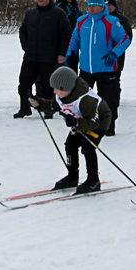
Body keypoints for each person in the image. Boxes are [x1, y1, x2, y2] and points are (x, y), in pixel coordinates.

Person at [33, 64, 112, 194]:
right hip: (81, 122)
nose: (55, 92)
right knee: (70, 144)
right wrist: (39, 103)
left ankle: (93, 181)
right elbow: (53, 106)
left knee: (88, 147)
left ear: (67, 88)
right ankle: (72, 177)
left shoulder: (86, 99)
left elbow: (93, 122)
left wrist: (76, 121)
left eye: (57, 89)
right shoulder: (61, 95)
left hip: (99, 123)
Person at [66, 0, 130, 136]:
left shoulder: (111, 22)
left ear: (102, 7)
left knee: (108, 100)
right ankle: (84, 125)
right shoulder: (81, 21)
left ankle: (108, 126)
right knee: (83, 99)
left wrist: (114, 53)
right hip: (86, 69)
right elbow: (74, 39)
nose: (91, 8)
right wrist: (70, 54)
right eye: (89, 6)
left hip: (106, 69)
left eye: (94, 6)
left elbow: (125, 39)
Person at [13, 0, 70, 119]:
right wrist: (25, 46)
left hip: (49, 57)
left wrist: (62, 53)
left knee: (47, 86)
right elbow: (23, 31)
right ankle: (24, 108)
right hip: (30, 57)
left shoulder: (58, 13)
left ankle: (48, 110)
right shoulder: (30, 13)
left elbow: (66, 34)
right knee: (23, 84)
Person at [102, 0, 132, 72]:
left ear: (114, 5)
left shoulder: (122, 19)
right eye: (106, 5)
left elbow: (128, 37)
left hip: (117, 55)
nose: (108, 7)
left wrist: (116, 51)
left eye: (110, 5)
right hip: (102, 56)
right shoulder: (100, 19)